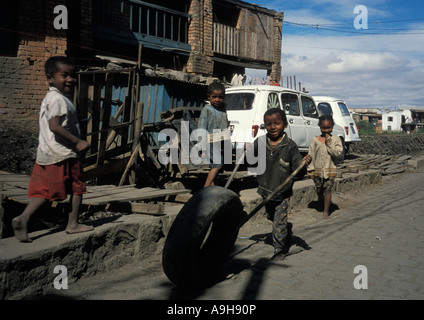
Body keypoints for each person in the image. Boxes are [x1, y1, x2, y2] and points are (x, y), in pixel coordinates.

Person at [12, 56, 93, 242]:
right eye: (64, 75)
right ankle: (72, 224)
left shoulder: (52, 97)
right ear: (50, 78)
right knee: (78, 187)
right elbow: (55, 126)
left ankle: (23, 218)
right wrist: (77, 142)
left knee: (46, 191)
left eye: (73, 75)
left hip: (48, 153)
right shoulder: (58, 99)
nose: (70, 79)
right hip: (63, 153)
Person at [254, 108, 311, 260]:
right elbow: (250, 159)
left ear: (285, 125)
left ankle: (280, 248)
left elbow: (297, 166)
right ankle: (282, 230)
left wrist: (303, 164)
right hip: (266, 188)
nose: (273, 127)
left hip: (282, 191)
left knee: (279, 221)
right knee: (272, 217)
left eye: (277, 123)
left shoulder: (290, 146)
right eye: (268, 124)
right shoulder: (260, 142)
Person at [307, 115, 343, 219]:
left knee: (327, 189)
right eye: (323, 128)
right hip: (317, 170)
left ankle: (326, 211)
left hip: (330, 170)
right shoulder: (315, 140)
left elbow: (336, 153)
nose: (326, 130)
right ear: (320, 127)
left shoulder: (336, 140)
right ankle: (321, 202)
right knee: (319, 189)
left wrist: (329, 141)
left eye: (328, 128)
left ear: (332, 127)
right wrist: (310, 169)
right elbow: (311, 155)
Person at [197, 82, 230, 187]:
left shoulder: (223, 109)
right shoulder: (206, 110)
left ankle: (211, 190)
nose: (217, 100)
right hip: (210, 141)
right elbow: (201, 129)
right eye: (214, 97)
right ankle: (205, 189)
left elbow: (225, 125)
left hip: (220, 142)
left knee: (215, 166)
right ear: (209, 97)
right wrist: (201, 148)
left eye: (220, 97)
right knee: (217, 165)